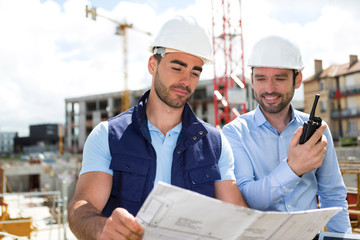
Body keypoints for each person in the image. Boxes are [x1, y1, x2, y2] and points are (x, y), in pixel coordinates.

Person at [68, 15, 248, 240]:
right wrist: (101, 228)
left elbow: (237, 217)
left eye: (195, 72)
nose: (186, 80)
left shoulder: (215, 144)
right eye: (177, 67)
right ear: (153, 65)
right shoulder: (108, 136)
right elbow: (82, 206)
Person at [222, 35, 351, 233]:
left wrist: (342, 239)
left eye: (280, 78)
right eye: (261, 78)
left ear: (297, 79)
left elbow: (333, 195)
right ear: (252, 80)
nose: (269, 88)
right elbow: (248, 198)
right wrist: (294, 168)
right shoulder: (234, 133)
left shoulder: (319, 130)